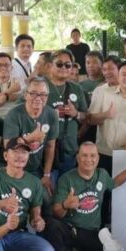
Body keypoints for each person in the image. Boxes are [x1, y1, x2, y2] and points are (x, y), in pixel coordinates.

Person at [50, 142, 126, 251]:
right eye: (84, 155)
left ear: (98, 158)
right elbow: (56, 213)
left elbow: (115, 183)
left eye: (92, 155)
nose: (88, 159)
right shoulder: (66, 179)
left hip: (91, 233)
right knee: (51, 224)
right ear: (77, 158)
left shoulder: (102, 174)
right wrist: (65, 205)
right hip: (71, 230)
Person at [0, 139, 57, 251]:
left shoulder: (34, 182)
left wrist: (38, 222)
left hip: (16, 234)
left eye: (24, 152)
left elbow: (36, 215)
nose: (20, 156)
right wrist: (3, 203)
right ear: (5, 156)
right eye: (15, 151)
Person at [3, 76, 60, 193]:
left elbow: (50, 146)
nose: (38, 98)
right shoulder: (14, 115)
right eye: (33, 93)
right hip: (12, 169)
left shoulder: (51, 114)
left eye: (43, 94)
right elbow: (8, 146)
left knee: (47, 202)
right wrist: (30, 138)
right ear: (25, 95)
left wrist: (47, 174)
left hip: (36, 169)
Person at [46, 50, 88, 178]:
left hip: (69, 152)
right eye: (59, 64)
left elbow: (86, 116)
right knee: (47, 195)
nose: (63, 67)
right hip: (44, 151)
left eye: (68, 65)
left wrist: (76, 113)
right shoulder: (39, 86)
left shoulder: (76, 88)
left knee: (66, 194)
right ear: (50, 66)